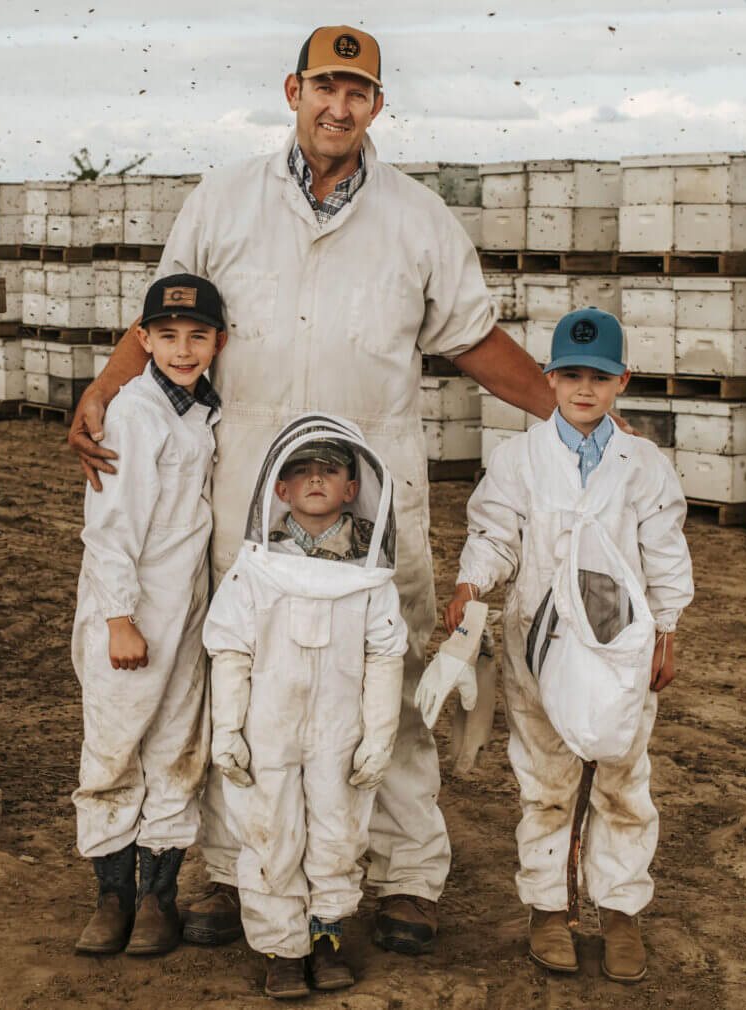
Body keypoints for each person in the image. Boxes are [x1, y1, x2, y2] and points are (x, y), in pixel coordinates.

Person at [69, 24, 558, 954]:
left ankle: (408, 874)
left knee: (394, 661)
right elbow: (168, 309)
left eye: (358, 93)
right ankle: (231, 871)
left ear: (378, 106)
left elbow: (473, 339)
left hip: (376, 485)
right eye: (324, 88)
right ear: (292, 90)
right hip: (248, 476)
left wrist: (571, 414)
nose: (339, 107)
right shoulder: (224, 200)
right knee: (242, 670)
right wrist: (102, 387)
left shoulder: (418, 216)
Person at [442, 308, 694, 983]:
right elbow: (495, 533)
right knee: (547, 779)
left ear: (622, 383)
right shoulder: (519, 459)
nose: (585, 389)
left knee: (621, 778)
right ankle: (549, 909)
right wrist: (471, 584)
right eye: (572, 375)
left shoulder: (643, 465)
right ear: (549, 378)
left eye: (600, 378)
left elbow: (665, 550)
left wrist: (667, 626)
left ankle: (619, 911)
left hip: (620, 647)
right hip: (540, 644)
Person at [204, 419, 408, 998]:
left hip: (339, 730)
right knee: (270, 832)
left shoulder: (370, 575)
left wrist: (379, 737)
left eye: (330, 469)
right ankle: (281, 950)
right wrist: (227, 729)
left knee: (338, 832)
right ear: (280, 489)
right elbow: (231, 650)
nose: (315, 477)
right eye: (300, 470)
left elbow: (385, 655)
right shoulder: (255, 568)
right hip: (267, 728)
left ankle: (327, 939)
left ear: (352, 489)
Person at [71, 273, 225, 957]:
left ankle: (160, 898)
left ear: (219, 341)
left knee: (176, 749)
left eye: (197, 336)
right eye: (167, 336)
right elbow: (109, 526)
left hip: (186, 613)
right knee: (114, 746)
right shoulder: (134, 414)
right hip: (128, 616)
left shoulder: (202, 411)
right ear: (144, 340)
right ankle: (112, 896)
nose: (183, 349)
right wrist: (118, 618)